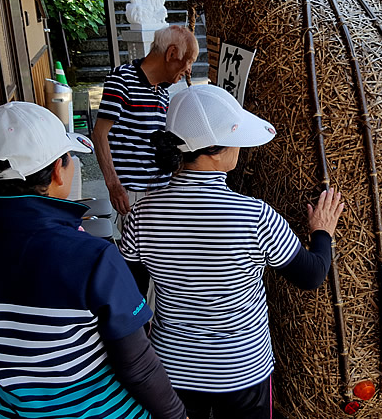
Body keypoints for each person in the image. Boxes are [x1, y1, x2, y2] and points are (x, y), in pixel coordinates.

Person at [119, 84, 344, 419]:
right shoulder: (255, 217)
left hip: (173, 370)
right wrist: (322, 232)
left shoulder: (140, 214)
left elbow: (132, 295)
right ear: (215, 151)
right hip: (242, 370)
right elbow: (311, 275)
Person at [0, 102, 186, 418]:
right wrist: (176, 414)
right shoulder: (92, 257)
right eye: (69, 157)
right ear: (58, 172)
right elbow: (138, 366)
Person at [93, 25, 199, 221]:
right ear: (172, 53)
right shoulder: (121, 80)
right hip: (133, 193)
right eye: (189, 61)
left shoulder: (162, 92)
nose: (189, 70)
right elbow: (99, 134)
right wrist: (113, 185)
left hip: (162, 189)